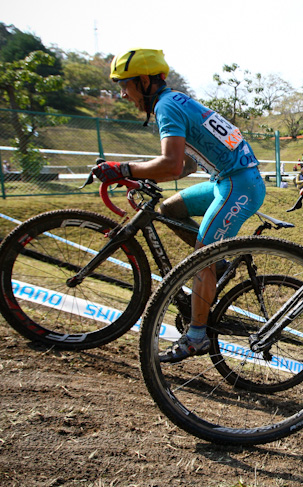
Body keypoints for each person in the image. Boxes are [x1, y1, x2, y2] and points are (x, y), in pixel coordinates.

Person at [94, 49, 266, 362]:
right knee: (169, 210)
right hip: (227, 180)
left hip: (239, 184)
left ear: (144, 81)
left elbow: (172, 165)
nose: (123, 94)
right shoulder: (175, 100)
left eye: (125, 86)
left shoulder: (166, 106)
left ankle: (197, 337)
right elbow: (185, 164)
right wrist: (147, 176)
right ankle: (217, 264)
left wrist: (124, 169)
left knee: (202, 255)